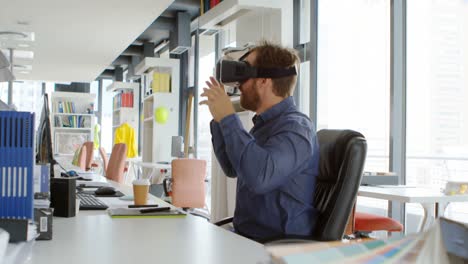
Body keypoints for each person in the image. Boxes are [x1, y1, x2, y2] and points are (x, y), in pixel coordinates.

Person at [200, 41, 320, 242]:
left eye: (244, 73)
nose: (239, 84)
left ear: (264, 80)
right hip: (246, 238)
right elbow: (233, 168)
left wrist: (229, 118)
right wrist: (220, 120)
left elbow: (259, 178)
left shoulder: (297, 129)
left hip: (276, 246)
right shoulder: (265, 125)